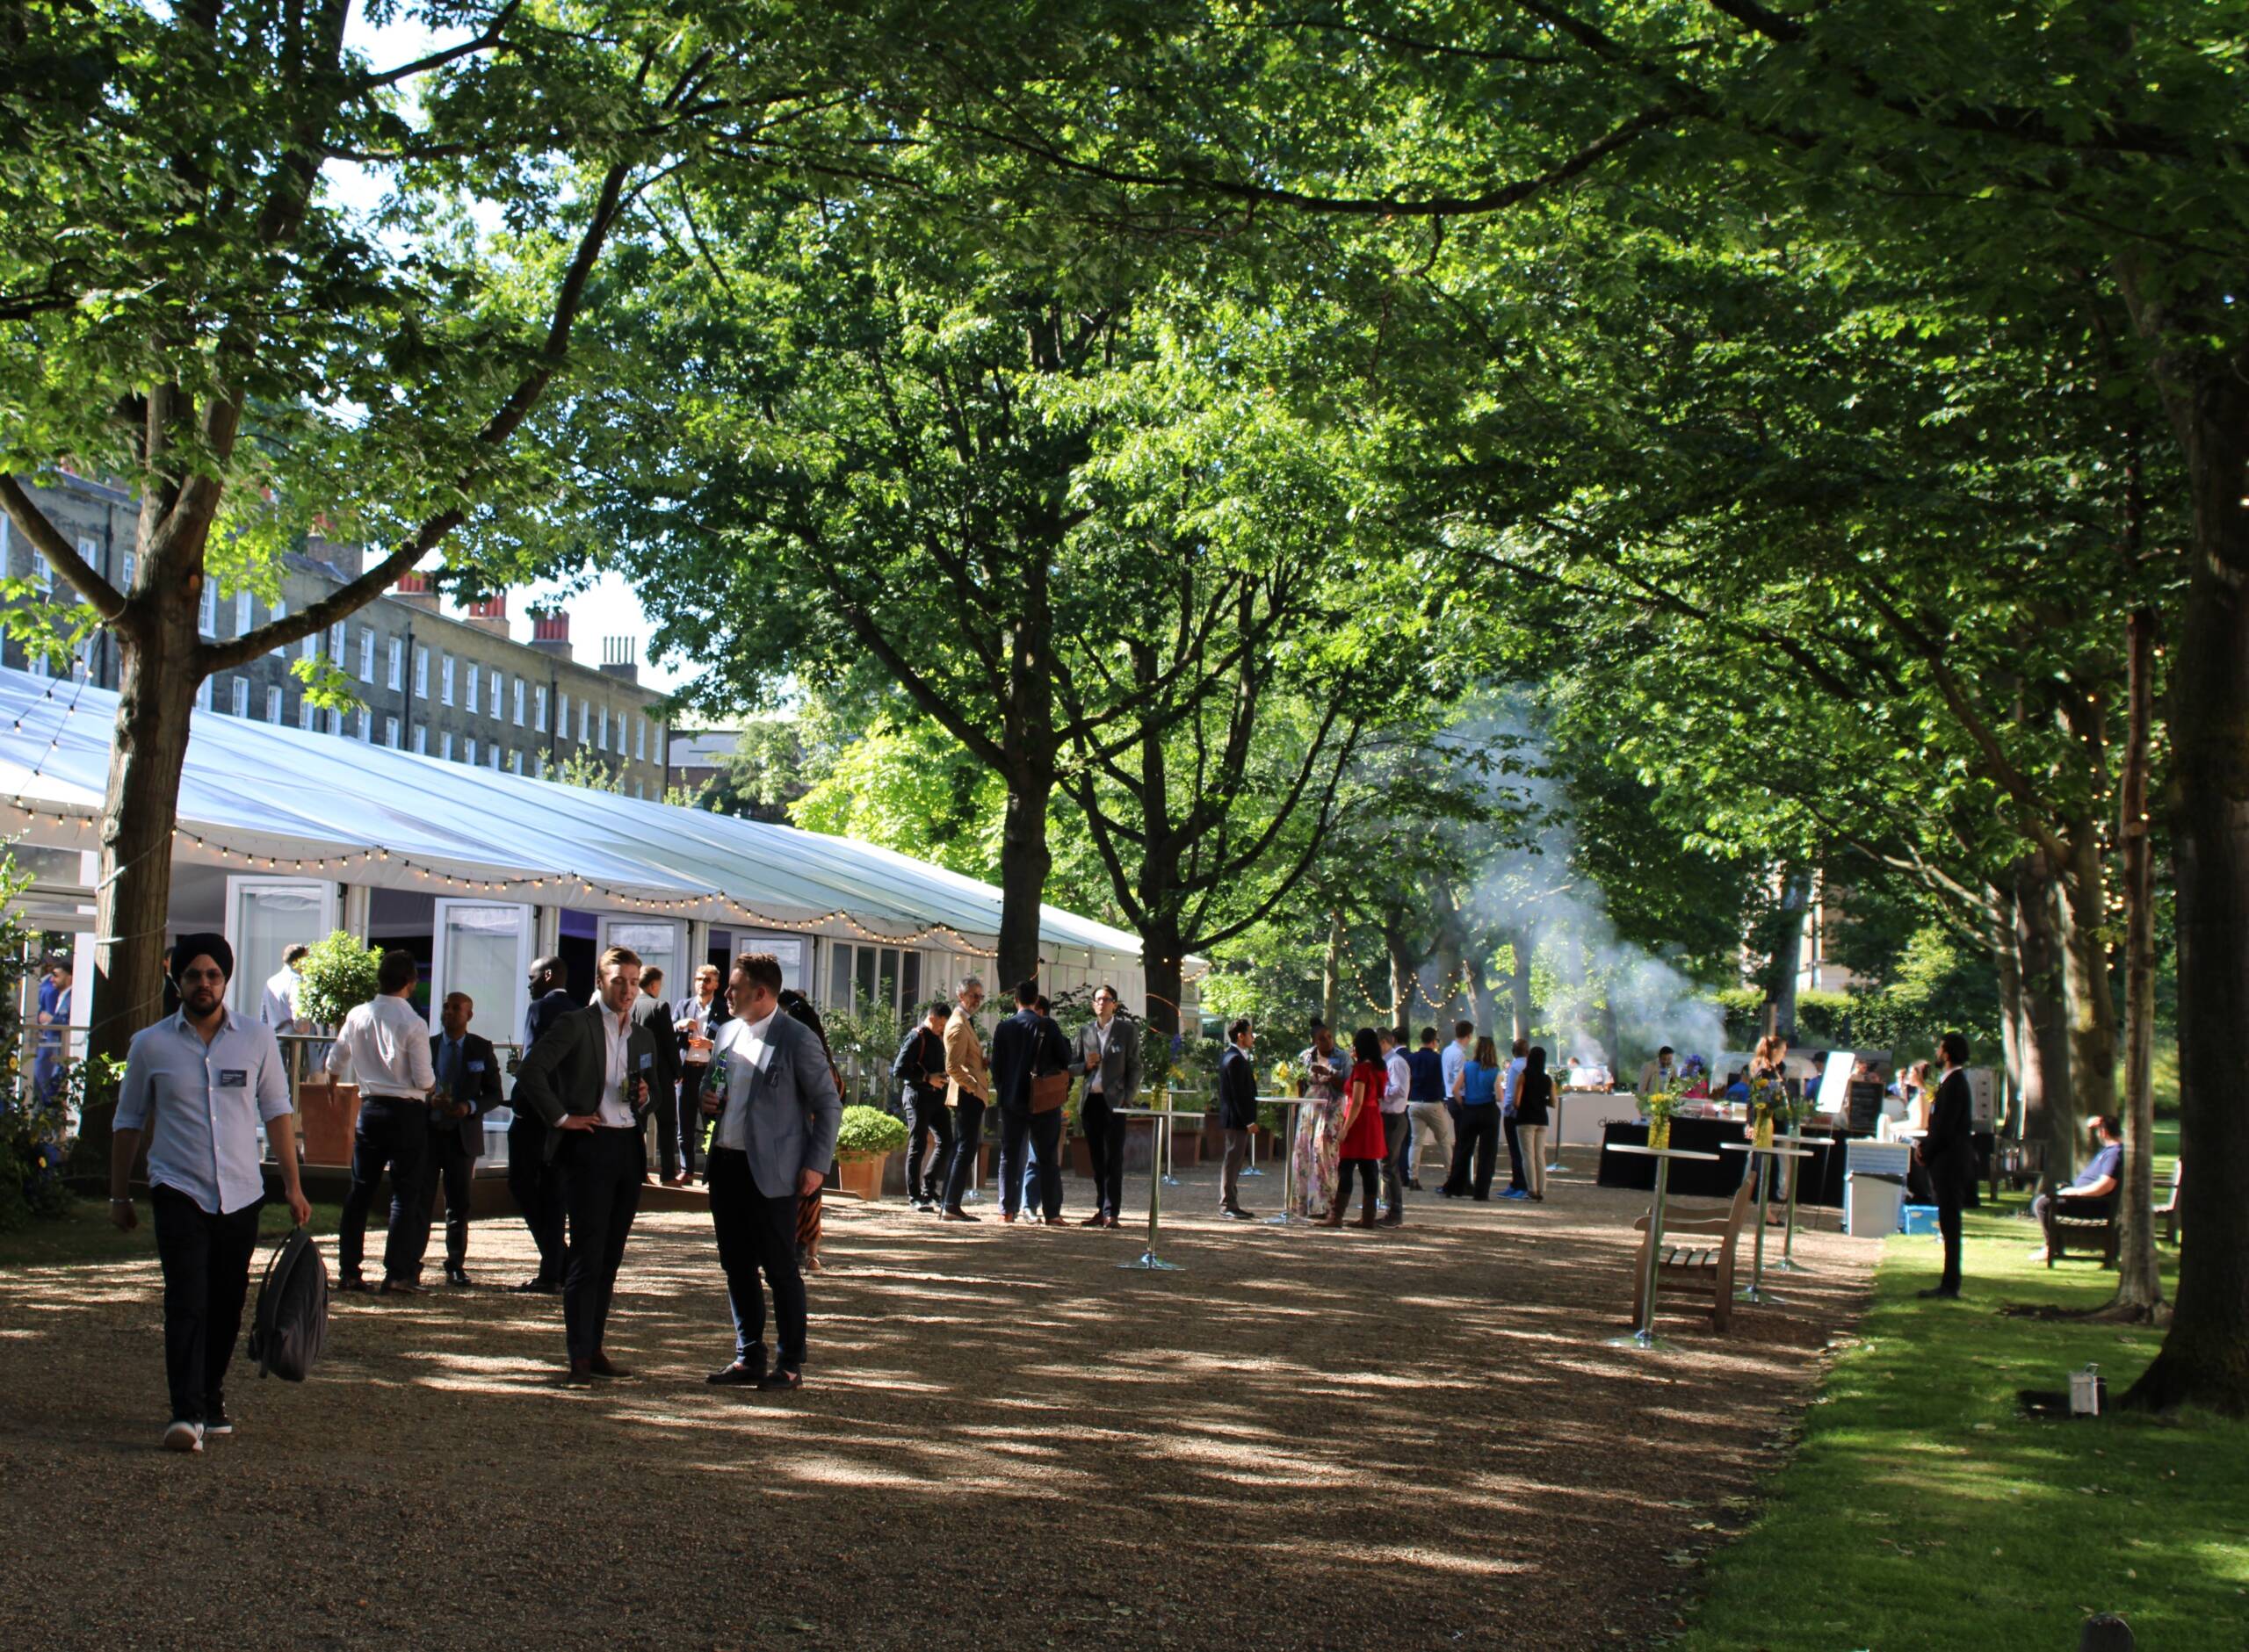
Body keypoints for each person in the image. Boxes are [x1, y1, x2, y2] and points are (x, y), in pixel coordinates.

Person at [110, 934, 311, 1453]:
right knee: (186, 1299)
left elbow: (277, 1112)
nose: (204, 984)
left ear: (226, 978)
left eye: (213, 975)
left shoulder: (256, 1040)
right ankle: (186, 1411)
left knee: (226, 1301)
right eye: (194, 974)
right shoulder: (150, 1045)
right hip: (178, 1188)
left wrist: (292, 1184)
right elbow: (129, 1121)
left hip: (241, 1191)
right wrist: (119, 1195)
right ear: (176, 980)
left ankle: (211, 1393)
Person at [510, 945, 662, 1382]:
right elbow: (531, 1070)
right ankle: (577, 1354)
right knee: (587, 1256)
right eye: (619, 981)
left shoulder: (643, 1035)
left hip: (626, 1149)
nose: (628, 990)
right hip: (587, 1146)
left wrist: (645, 1098)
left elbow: (649, 1087)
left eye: (634, 982)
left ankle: (594, 1347)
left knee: (611, 1257)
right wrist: (561, 1117)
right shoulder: (575, 1024)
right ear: (600, 982)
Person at [701, 952, 842, 1391]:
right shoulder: (725, 1032)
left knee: (781, 1268)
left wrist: (817, 1165)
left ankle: (791, 1362)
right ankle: (749, 1356)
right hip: (726, 1162)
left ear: (761, 993)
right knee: (736, 1265)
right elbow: (713, 1084)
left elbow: (828, 1104)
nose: (726, 993)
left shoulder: (796, 1038)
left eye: (735, 988)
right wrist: (707, 1100)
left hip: (774, 1172)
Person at [328, 949, 438, 1295]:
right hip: (405, 1111)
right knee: (405, 1194)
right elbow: (423, 1079)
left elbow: (335, 1059)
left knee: (360, 1190)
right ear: (409, 982)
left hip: (371, 1108)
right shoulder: (413, 1023)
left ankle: (349, 1270)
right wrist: (435, 1088)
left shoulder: (358, 1014)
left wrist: (332, 1087)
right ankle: (397, 1272)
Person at [509, 955, 576, 1294]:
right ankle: (556, 1266)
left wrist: (520, 1086)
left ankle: (556, 1262)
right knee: (553, 1191)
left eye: (533, 977)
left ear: (548, 975)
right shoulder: (579, 1012)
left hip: (535, 1113)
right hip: (565, 1112)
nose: (530, 983)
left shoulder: (539, 1010)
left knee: (522, 1184)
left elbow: (535, 1062)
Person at [427, 992, 504, 1287]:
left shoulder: (480, 1049)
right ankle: (410, 1262)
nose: (449, 1012)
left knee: (458, 1204)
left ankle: (455, 1263)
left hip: (463, 1136)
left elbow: (494, 1093)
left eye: (456, 1008)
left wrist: (469, 1107)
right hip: (430, 1132)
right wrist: (428, 1100)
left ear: (468, 1015)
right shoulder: (429, 1046)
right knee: (420, 1199)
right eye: (446, 1007)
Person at [992, 979, 1073, 1225]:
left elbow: (997, 1067)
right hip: (1044, 1101)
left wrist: (1006, 1091)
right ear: (1036, 1000)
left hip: (1013, 1100)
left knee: (1009, 1154)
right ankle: (1052, 1212)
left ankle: (1007, 1209)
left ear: (1015, 1000)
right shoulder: (1048, 1026)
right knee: (1047, 1156)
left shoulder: (1004, 1028)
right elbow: (1065, 1059)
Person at [1070, 983, 1144, 1229]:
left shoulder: (1126, 1031)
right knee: (1097, 1159)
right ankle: (1101, 1208)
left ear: (1115, 1004)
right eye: (1098, 999)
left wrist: (1128, 1097)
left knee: (1113, 1159)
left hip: (1115, 1102)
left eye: (1107, 999)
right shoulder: (1085, 1031)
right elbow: (1072, 1066)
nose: (1102, 1003)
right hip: (1091, 1101)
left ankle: (1112, 1212)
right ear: (1093, 1005)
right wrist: (1086, 1067)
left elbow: (1135, 1066)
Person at [1915, 1031, 1976, 1299]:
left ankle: (1951, 1283)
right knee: (1947, 1220)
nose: (1937, 1053)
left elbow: (1944, 1127)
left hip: (1949, 1161)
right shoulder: (1951, 1083)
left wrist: (1926, 1150)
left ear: (1947, 1053)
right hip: (1947, 1158)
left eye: (1940, 1049)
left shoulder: (1955, 1084)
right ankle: (1949, 1281)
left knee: (1950, 1221)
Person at [1321, 1028, 1391, 1229]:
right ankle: (1368, 1217)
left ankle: (1337, 1216)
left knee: (1347, 1168)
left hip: (1358, 1120)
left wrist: (1345, 1128)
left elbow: (1358, 1101)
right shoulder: (1380, 1067)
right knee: (1369, 1169)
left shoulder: (1362, 1070)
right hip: (1373, 1118)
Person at [2032, 1116, 2123, 1260]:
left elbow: (2106, 1185)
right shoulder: (2110, 1151)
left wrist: (2076, 1192)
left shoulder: (2115, 1154)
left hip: (2094, 1205)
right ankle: (2054, 1246)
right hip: (2086, 1200)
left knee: (2043, 1204)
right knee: (2045, 1200)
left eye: (2098, 1130)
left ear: (2103, 1132)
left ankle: (2051, 1247)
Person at [938, 977, 992, 1221]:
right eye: (973, 996)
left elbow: (963, 1062)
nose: (977, 1001)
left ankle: (948, 1202)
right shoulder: (958, 1024)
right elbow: (952, 1067)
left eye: (980, 996)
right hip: (966, 1095)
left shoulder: (964, 1022)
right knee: (964, 1149)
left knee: (961, 1147)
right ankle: (950, 1204)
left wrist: (980, 1065)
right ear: (961, 996)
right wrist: (973, 1087)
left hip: (968, 1094)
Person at [893, 999, 954, 1211]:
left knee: (947, 1141)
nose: (942, 1028)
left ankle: (929, 1188)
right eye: (940, 1024)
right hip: (917, 1096)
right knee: (917, 1145)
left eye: (945, 1025)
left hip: (936, 1098)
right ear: (931, 1018)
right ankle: (915, 1196)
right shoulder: (916, 1037)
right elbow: (899, 1069)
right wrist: (927, 1078)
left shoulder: (938, 1038)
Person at [672, 963, 727, 1185]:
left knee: (711, 1123)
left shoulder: (723, 1010)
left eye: (706, 980)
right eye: (698, 979)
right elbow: (669, 1030)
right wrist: (679, 1024)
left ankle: (711, 1171)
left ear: (716, 984)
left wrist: (710, 1044)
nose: (701, 984)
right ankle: (687, 1170)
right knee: (684, 1123)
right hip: (686, 1071)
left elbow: (731, 1043)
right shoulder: (684, 1005)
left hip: (710, 1072)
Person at [1292, 1020, 1349, 1218]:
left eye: (1329, 1037)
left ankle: (1327, 1204)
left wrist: (1329, 1074)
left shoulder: (1342, 1057)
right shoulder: (1306, 1057)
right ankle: (1305, 1204)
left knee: (1324, 1151)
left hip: (1332, 1105)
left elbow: (1348, 1086)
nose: (1327, 1042)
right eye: (1322, 1039)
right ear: (1315, 1041)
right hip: (1310, 1106)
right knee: (1304, 1152)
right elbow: (1299, 1081)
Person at [632, 967, 682, 1186]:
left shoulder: (630, 1005)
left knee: (637, 1123)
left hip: (635, 1072)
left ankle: (639, 1171)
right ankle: (668, 1174)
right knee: (667, 1124)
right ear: (653, 985)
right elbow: (669, 1043)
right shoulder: (660, 1007)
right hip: (659, 1073)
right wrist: (678, 1071)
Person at [1450, 1035, 1502, 1199]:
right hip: (1488, 1111)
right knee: (1487, 1153)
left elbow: (1455, 1090)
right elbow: (1499, 1096)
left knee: (1463, 1150)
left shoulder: (1468, 1067)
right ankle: (1481, 1192)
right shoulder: (1495, 1070)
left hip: (1470, 1110)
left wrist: (1463, 1104)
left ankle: (1455, 1186)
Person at [1217, 1017, 1258, 1219]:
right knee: (1233, 1160)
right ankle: (1227, 1203)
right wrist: (1249, 1121)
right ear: (1241, 1036)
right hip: (1236, 1119)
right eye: (1250, 1033)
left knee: (1234, 1160)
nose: (1253, 1037)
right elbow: (1238, 1094)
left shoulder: (1233, 1057)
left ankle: (1231, 1201)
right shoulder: (1234, 1059)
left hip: (1235, 1118)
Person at [1403, 1027, 1450, 1190]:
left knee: (1416, 1142)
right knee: (1444, 1140)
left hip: (1415, 1103)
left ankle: (1413, 1177)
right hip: (1433, 1103)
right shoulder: (1438, 1059)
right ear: (1433, 1041)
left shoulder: (1411, 1058)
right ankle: (1450, 1173)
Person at [1378, 1028, 1413, 1224]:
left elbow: (1400, 1089)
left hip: (1394, 1118)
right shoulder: (1386, 1062)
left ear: (1384, 1042)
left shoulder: (1396, 1063)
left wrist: (1378, 1091)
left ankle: (1395, 1211)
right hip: (1386, 1116)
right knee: (1386, 1165)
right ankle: (1390, 1207)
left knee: (1390, 1165)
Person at [1515, 1046, 1554, 1201]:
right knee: (1540, 1155)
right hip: (1542, 1120)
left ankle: (1532, 1189)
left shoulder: (1523, 1076)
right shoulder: (1547, 1079)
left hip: (1526, 1119)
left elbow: (1517, 1102)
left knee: (1527, 1156)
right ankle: (1541, 1188)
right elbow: (1553, 1102)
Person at [1497, 1036, 1531, 1200]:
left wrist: (1507, 1109)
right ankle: (1519, 1183)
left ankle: (1520, 1184)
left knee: (1515, 1151)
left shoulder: (1515, 1068)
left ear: (1513, 1052)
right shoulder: (1530, 1066)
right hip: (1526, 1112)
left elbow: (1510, 1092)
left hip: (1513, 1113)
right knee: (1522, 1151)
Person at [33, 956, 71, 1105]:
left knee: (50, 1091)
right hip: (51, 1050)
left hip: (59, 1051)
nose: (52, 979)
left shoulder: (71, 997)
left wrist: (51, 1019)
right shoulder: (61, 995)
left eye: (56, 975)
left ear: (69, 977)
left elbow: (71, 1021)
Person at [258, 943, 307, 1035]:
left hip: (273, 1039)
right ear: (296, 962)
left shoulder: (270, 982)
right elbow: (299, 1017)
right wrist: (306, 1028)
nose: (308, 965)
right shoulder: (296, 981)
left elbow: (263, 1018)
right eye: (306, 960)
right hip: (293, 1043)